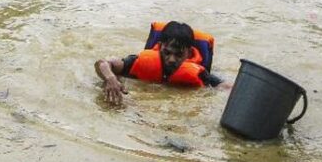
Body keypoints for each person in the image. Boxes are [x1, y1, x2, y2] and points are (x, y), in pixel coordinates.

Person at [95, 21, 225, 105]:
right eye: (167, 52)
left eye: (178, 54)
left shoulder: (201, 74)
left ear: (189, 53)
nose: (171, 59)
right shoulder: (140, 62)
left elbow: (225, 87)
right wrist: (110, 78)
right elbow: (102, 63)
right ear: (160, 46)